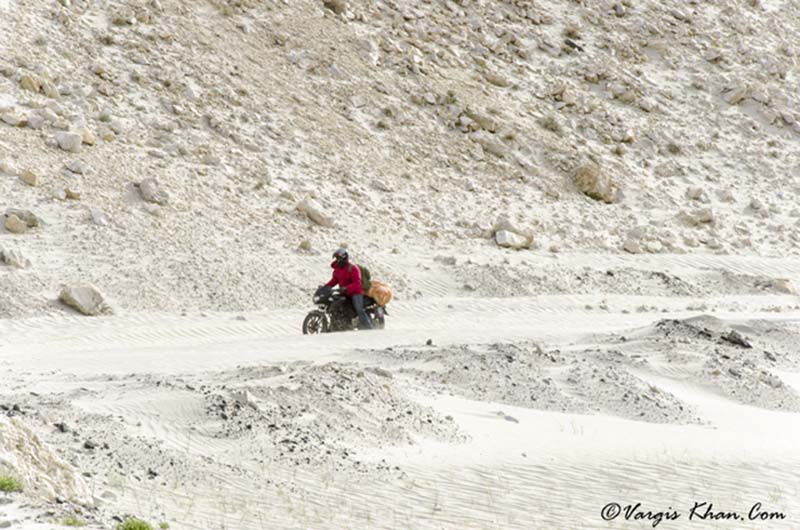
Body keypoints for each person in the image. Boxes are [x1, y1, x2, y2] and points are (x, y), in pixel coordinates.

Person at [324, 248, 373, 330]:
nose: (338, 260)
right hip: (344, 293)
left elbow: (357, 283)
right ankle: (336, 325)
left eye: (339, 258)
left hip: (355, 293)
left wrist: (346, 288)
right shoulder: (337, 270)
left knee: (359, 309)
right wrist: (325, 287)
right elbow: (333, 281)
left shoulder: (353, 268)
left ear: (344, 257)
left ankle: (369, 328)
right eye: (337, 258)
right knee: (335, 305)